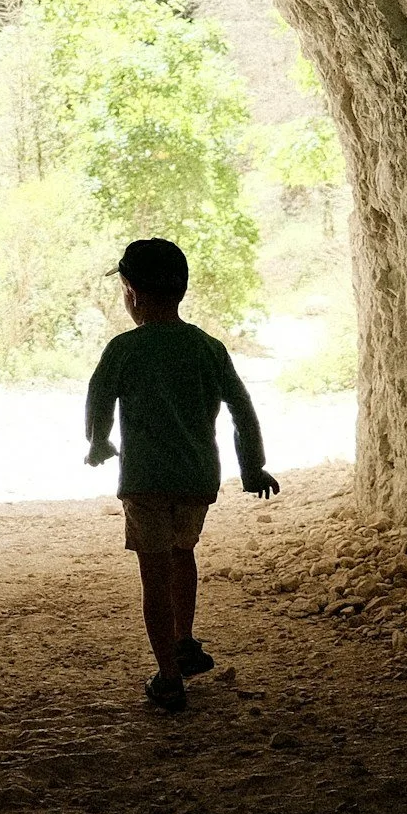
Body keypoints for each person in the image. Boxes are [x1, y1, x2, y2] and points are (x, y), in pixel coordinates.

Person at [84, 236, 278, 712]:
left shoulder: (124, 348)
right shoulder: (208, 348)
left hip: (145, 482)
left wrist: (98, 441)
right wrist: (252, 467)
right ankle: (185, 640)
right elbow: (242, 411)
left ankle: (169, 677)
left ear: (130, 291)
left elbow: (99, 397)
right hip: (196, 480)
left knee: (154, 575)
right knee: (182, 555)